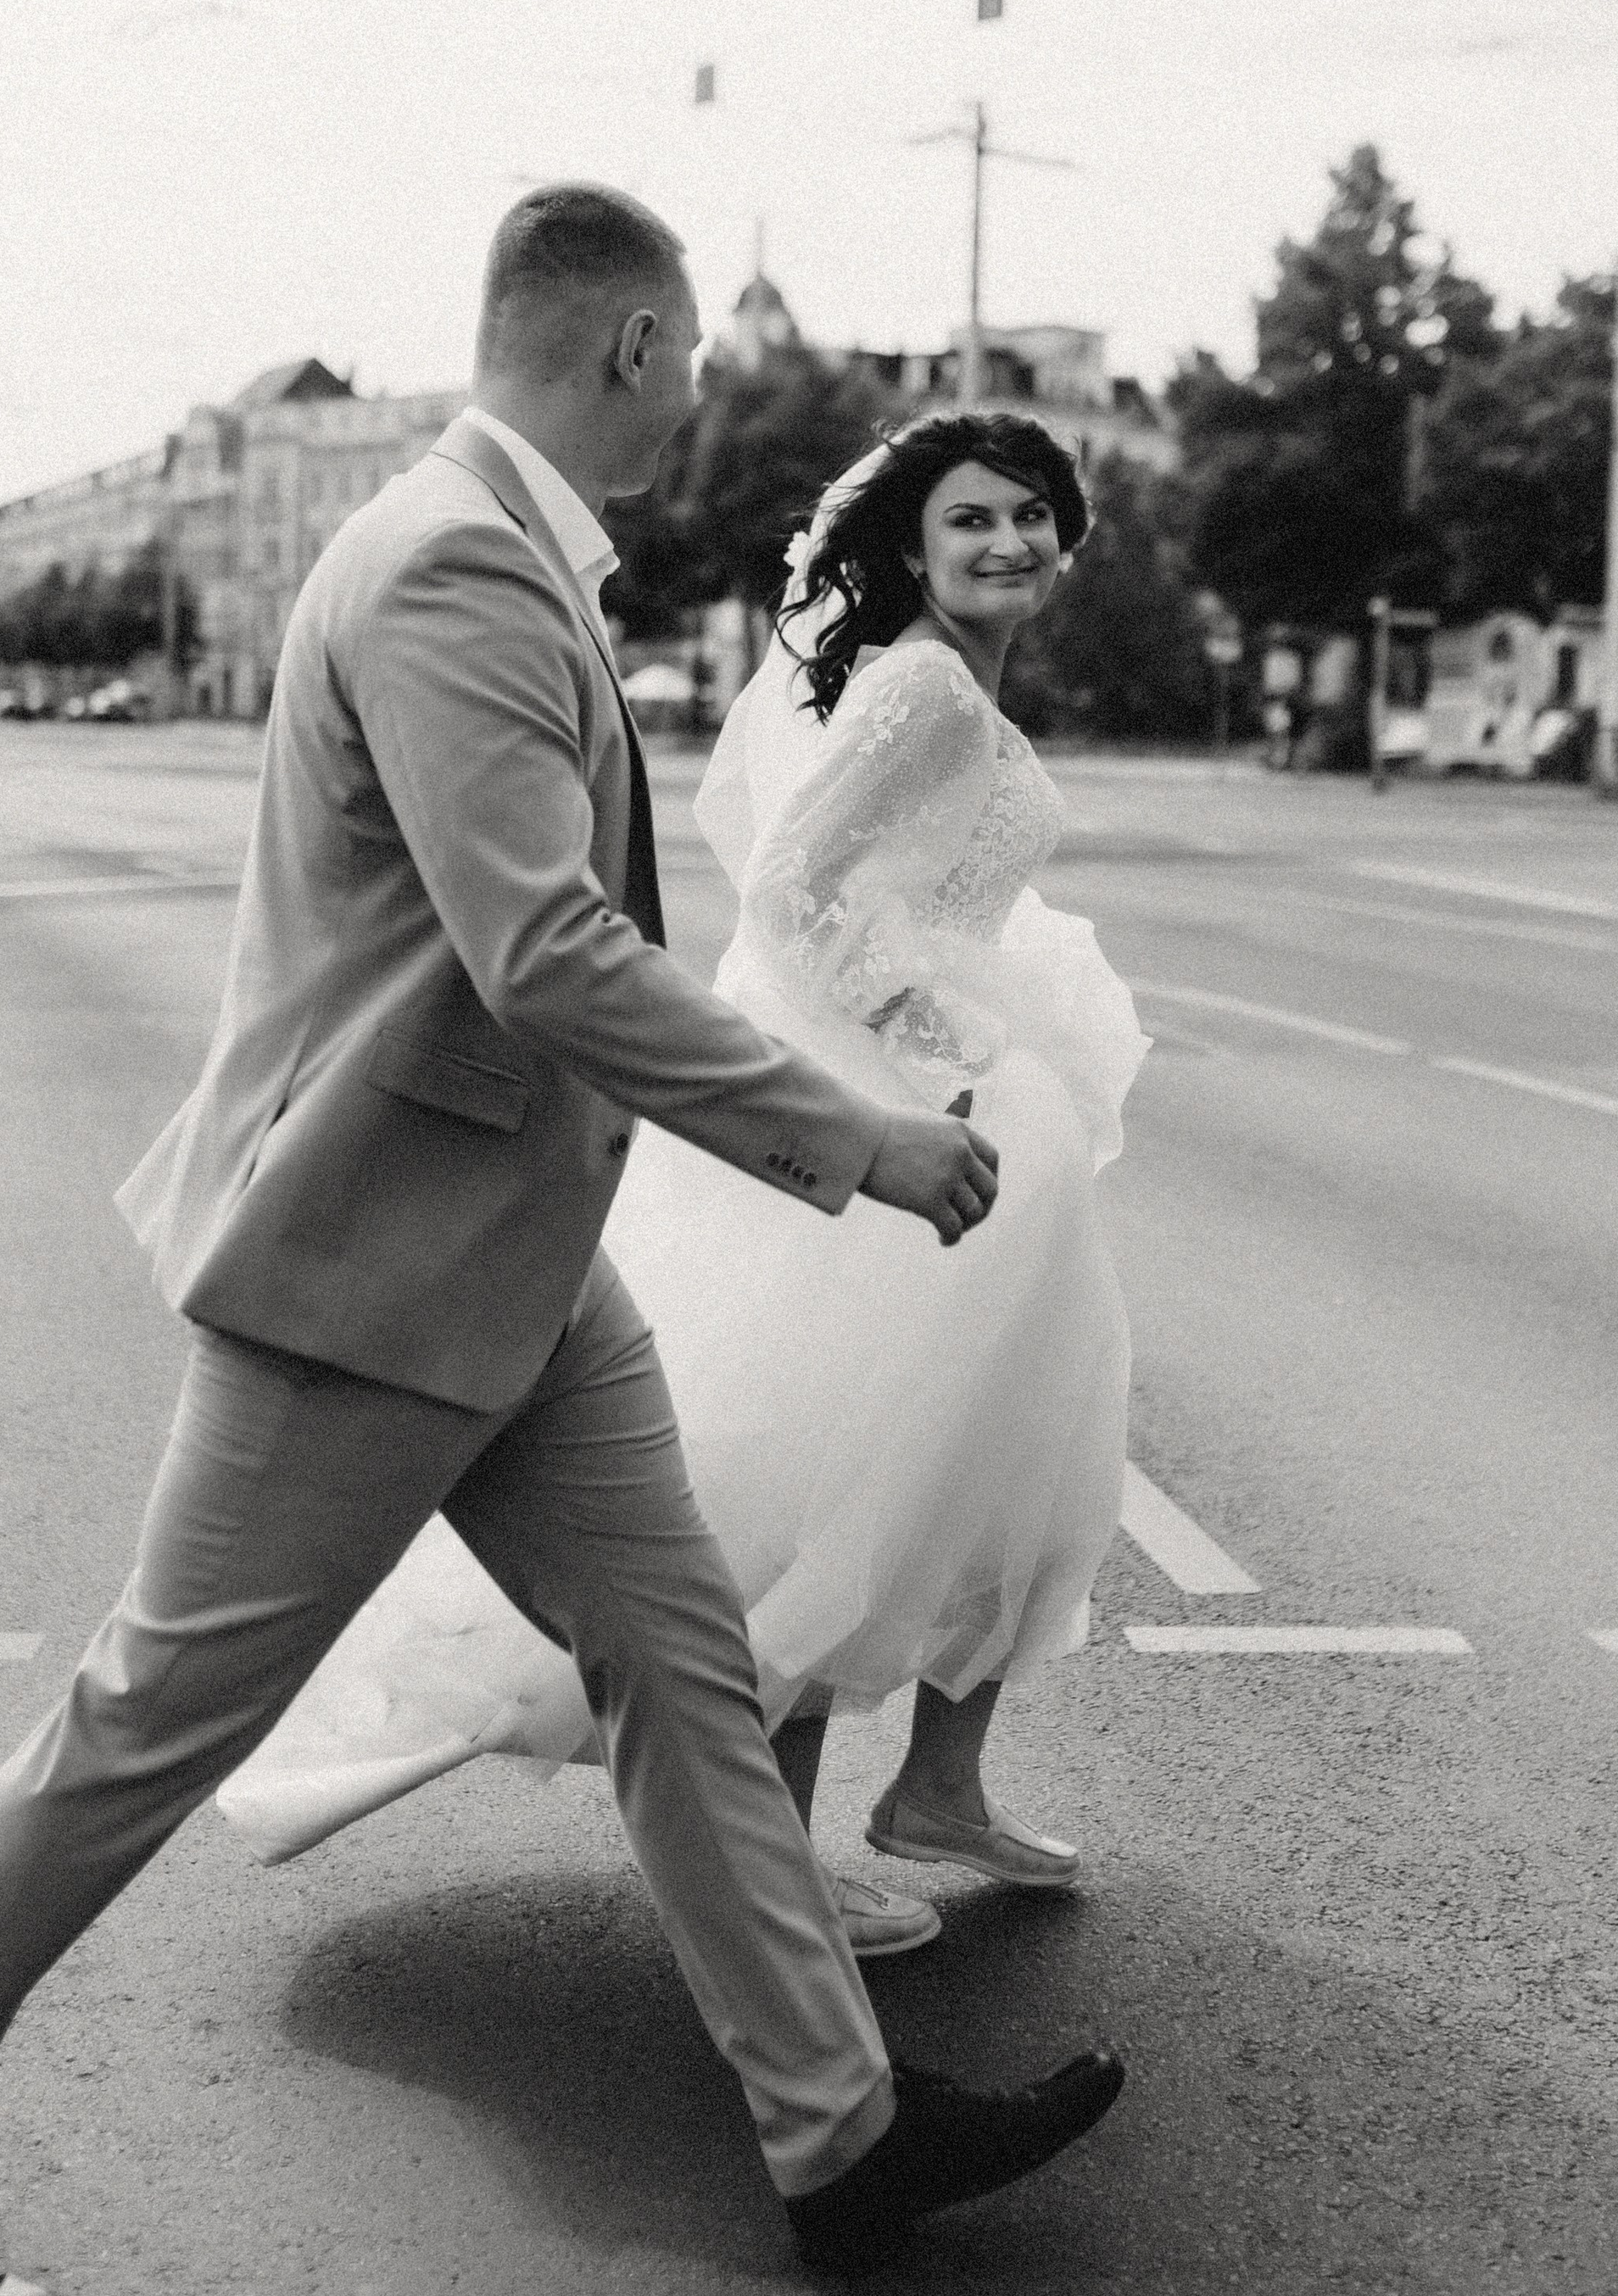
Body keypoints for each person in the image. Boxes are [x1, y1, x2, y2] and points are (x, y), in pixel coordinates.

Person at [0, 191, 1123, 2296]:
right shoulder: (460, 562)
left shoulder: (481, 545)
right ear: (641, 344)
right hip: (375, 1266)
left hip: (503, 1254)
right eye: (693, 366)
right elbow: (540, 950)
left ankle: (839, 2134)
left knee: (682, 1665)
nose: (701, 401)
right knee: (146, 1724)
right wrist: (842, 1136)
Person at [219, 411, 1146, 1959]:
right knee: (839, 1472)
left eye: (1035, 519)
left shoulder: (946, 676)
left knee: (1001, 1459)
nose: (1011, 546)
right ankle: (782, 1854)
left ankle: (941, 1790)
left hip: (981, 1112)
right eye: (975, 520)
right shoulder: (919, 684)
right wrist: (939, 1051)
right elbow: (792, 889)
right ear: (912, 544)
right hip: (909, 1111)